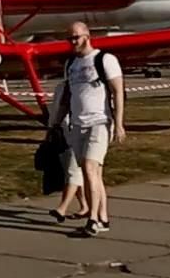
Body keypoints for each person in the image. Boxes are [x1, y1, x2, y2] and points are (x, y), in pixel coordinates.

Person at [51, 22, 124, 236]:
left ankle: (92, 220)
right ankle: (103, 218)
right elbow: (67, 96)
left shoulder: (105, 60)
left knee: (90, 168)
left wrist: (119, 123)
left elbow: (118, 91)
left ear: (87, 36)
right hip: (78, 124)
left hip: (100, 122)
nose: (73, 42)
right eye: (70, 39)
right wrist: (56, 122)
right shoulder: (71, 64)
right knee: (92, 173)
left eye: (76, 37)